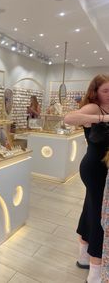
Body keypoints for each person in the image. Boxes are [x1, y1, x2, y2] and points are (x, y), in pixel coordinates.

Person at [64, 74, 109, 283]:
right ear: (95, 92)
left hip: (104, 170)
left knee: (91, 208)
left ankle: (83, 256)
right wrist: (102, 119)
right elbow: (69, 119)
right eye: (105, 91)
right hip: (94, 169)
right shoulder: (94, 108)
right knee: (101, 215)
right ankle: (95, 273)